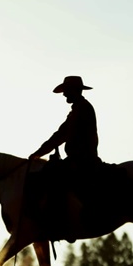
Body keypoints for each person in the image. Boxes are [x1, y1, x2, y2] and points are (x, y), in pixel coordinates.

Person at [28, 76, 102, 242]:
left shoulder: (81, 109)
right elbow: (62, 133)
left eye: (66, 91)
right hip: (80, 158)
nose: (64, 95)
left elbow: (61, 134)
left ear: (75, 91)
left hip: (82, 160)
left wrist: (39, 153)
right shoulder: (80, 108)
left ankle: (61, 225)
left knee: (53, 178)